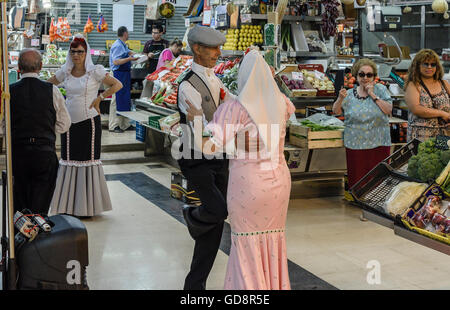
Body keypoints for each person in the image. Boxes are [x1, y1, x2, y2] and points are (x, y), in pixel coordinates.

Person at [185, 50, 295, 290]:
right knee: (273, 240)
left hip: (249, 185)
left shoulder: (236, 108)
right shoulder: (283, 103)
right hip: (278, 182)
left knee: (246, 244)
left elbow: (209, 146)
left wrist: (195, 120)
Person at [176, 25, 234, 290]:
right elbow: (200, 133)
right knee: (218, 210)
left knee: (214, 229)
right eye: (212, 48)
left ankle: (195, 286)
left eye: (219, 48)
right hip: (196, 159)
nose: (218, 53)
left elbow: (232, 107)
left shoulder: (216, 80)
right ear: (197, 49)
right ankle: (191, 215)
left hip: (219, 157)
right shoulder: (187, 85)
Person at [47, 34, 123, 217]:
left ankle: (87, 206)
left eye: (80, 52)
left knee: (87, 160)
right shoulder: (65, 71)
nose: (76, 55)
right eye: (73, 51)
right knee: (68, 160)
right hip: (68, 124)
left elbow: (117, 84)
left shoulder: (95, 71)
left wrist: (100, 98)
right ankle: (68, 205)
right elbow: (47, 85)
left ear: (86, 52)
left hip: (89, 122)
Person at [9, 48, 71, 215]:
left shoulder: (9, 92)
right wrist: (46, 129)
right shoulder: (52, 90)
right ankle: (39, 236)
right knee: (41, 202)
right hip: (44, 153)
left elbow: (2, 126)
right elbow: (65, 124)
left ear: (18, 68)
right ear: (41, 66)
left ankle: (20, 238)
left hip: (18, 153)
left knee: (20, 202)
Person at [333, 58, 392, 197]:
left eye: (369, 75)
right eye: (361, 74)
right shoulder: (348, 94)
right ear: (356, 75)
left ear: (374, 76)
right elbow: (336, 111)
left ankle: (378, 202)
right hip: (356, 144)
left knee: (379, 176)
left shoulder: (381, 90)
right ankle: (361, 203)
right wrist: (340, 99)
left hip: (379, 142)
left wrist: (372, 94)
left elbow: (388, 110)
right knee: (358, 176)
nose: (365, 78)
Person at [405, 49, 450, 142]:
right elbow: (416, 109)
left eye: (433, 64)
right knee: (423, 156)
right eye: (425, 64)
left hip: (444, 137)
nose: (429, 67)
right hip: (421, 138)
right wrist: (442, 113)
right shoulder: (413, 85)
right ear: (417, 66)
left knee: (442, 156)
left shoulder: (444, 84)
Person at [108, 26, 139, 133]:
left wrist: (135, 54)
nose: (129, 34)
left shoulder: (122, 44)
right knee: (116, 99)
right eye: (128, 32)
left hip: (124, 75)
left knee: (125, 99)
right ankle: (113, 125)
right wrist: (130, 58)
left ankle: (124, 124)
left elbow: (127, 52)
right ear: (125, 33)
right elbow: (116, 61)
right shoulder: (117, 45)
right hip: (118, 74)